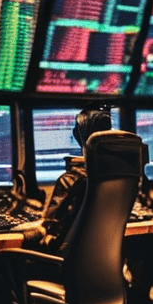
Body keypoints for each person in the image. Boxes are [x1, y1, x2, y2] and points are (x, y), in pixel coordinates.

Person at [39, 105, 112, 253]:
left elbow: (50, 229)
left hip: (65, 266)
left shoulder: (71, 180)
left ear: (77, 136)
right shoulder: (118, 175)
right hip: (106, 265)